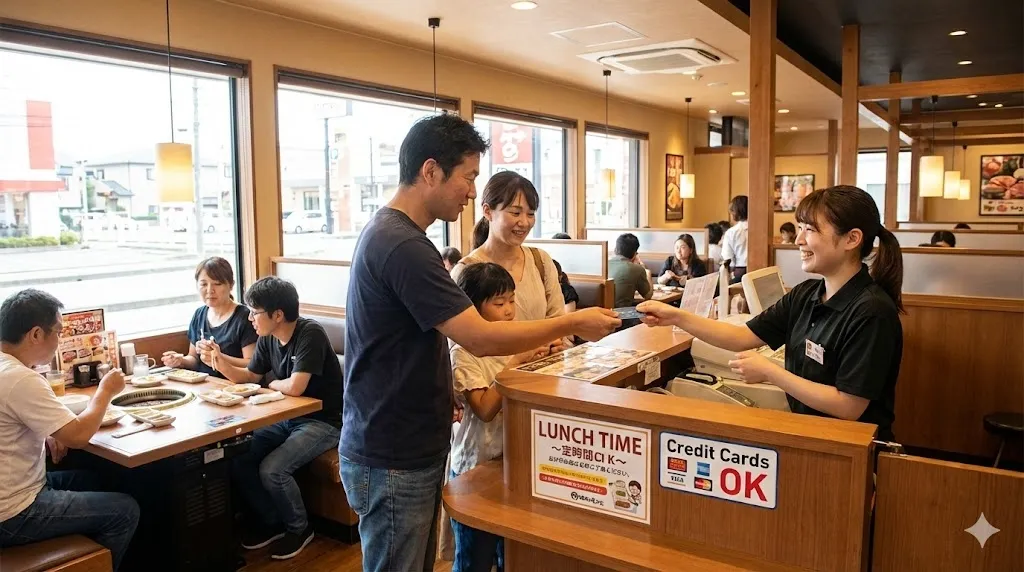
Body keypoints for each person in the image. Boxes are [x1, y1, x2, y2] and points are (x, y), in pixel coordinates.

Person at [340, 114, 619, 572]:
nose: (472, 192)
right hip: (394, 451)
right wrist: (571, 323)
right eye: (468, 177)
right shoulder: (403, 245)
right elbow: (479, 337)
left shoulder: (396, 236)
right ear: (431, 171)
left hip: (402, 441)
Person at [638, 185, 904, 440]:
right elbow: (741, 336)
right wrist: (676, 316)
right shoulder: (806, 294)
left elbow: (849, 406)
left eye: (810, 230)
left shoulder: (872, 311)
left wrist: (770, 372)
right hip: (810, 433)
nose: (799, 240)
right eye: (800, 229)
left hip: (851, 447)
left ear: (852, 239)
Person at [204, 276, 343, 560]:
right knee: (239, 457)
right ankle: (272, 521)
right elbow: (250, 376)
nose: (250, 319)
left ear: (277, 315)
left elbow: (296, 386)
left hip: (324, 421)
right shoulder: (268, 338)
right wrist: (219, 362)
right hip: (288, 418)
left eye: (254, 313)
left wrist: (272, 384)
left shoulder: (310, 333)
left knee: (273, 470)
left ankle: (300, 528)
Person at [0, 289, 139, 571]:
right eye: (58, 332)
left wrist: (47, 431)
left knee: (99, 479)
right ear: (36, 334)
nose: (59, 340)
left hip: (18, 492)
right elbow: (77, 436)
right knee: (125, 510)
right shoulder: (20, 378)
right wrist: (105, 391)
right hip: (13, 513)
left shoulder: (8, 369)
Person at [449, 263, 551, 572]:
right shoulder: (463, 352)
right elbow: (484, 409)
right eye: (499, 302)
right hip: (475, 467)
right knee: (474, 559)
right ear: (473, 308)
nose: (509, 310)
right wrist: (516, 363)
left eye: (511, 300)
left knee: (512, 555)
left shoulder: (514, 339)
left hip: (511, 462)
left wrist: (547, 356)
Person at [452, 171, 565, 326]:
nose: (524, 222)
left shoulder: (541, 261)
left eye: (530, 214)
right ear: (487, 211)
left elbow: (559, 322)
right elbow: (462, 334)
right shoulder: (466, 270)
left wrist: (557, 336)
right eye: (515, 213)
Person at [162, 257, 257, 378]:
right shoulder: (199, 314)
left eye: (217, 284)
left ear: (231, 285)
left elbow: (251, 364)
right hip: (205, 383)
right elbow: (194, 358)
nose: (210, 290)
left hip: (235, 384)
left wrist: (218, 357)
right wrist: (180, 361)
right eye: (203, 284)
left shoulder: (246, 317)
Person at [608, 233, 652, 308]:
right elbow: (648, 296)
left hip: (597, 311)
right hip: (621, 313)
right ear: (635, 253)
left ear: (615, 250)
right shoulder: (637, 269)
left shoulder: (604, 264)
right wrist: (648, 274)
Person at [721, 195, 749, 283]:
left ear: (736, 212)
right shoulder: (760, 229)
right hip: (760, 270)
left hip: (740, 271)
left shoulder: (732, 232)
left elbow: (727, 257)